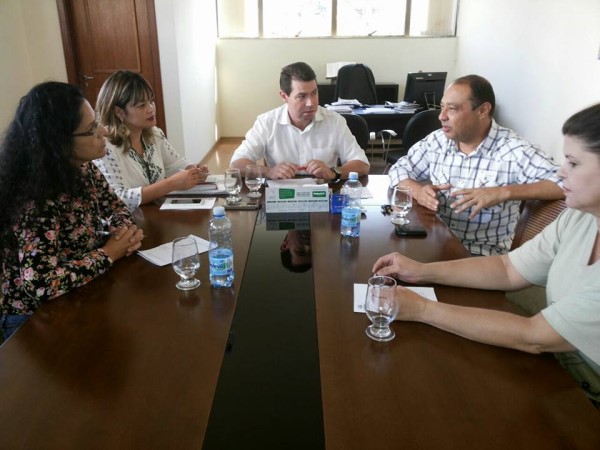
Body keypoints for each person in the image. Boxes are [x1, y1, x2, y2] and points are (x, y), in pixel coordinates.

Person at [373, 103, 600, 406]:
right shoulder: (581, 218)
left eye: (572, 163)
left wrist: (421, 309)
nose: (561, 172)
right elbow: (508, 269)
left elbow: (533, 336)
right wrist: (421, 270)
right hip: (559, 367)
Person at [0, 82, 144, 342]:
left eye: (97, 122)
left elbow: (116, 205)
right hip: (34, 322)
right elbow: (40, 285)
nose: (103, 131)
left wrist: (124, 232)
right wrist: (109, 253)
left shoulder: (82, 167)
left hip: (76, 294)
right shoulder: (38, 199)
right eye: (91, 130)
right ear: (59, 143)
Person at [388, 75, 563, 255]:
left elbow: (564, 182)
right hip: (435, 244)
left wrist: (503, 192)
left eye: (453, 109)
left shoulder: (513, 150)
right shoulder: (438, 140)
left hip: (480, 255)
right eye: (442, 107)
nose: (442, 116)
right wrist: (417, 190)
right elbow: (399, 168)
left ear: (483, 110)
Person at [229, 62, 370, 181]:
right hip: (281, 196)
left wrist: (334, 172)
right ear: (284, 96)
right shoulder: (267, 123)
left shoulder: (334, 121)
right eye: (301, 96)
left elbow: (362, 164)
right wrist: (268, 171)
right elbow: (236, 164)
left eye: (314, 93)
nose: (311, 103)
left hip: (322, 195)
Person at [94, 70, 208, 210]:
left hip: (158, 214)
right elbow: (119, 197)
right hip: (129, 224)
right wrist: (171, 183)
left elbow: (174, 164)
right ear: (119, 112)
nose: (151, 109)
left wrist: (193, 171)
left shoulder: (154, 134)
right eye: (141, 105)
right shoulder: (105, 148)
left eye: (151, 101)